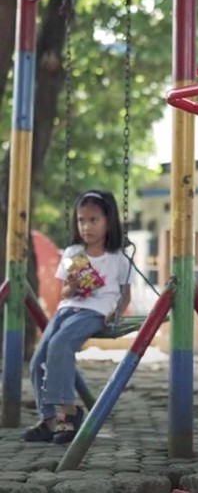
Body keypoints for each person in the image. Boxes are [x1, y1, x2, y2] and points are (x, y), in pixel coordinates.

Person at [23, 189, 131, 444]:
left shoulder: (118, 258)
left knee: (60, 346)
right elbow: (65, 292)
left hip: (95, 312)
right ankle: (47, 420)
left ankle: (68, 414)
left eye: (93, 220)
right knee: (38, 360)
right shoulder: (73, 253)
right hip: (67, 309)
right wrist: (74, 284)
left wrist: (115, 314)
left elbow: (125, 295)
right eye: (81, 220)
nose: (86, 227)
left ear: (108, 221)